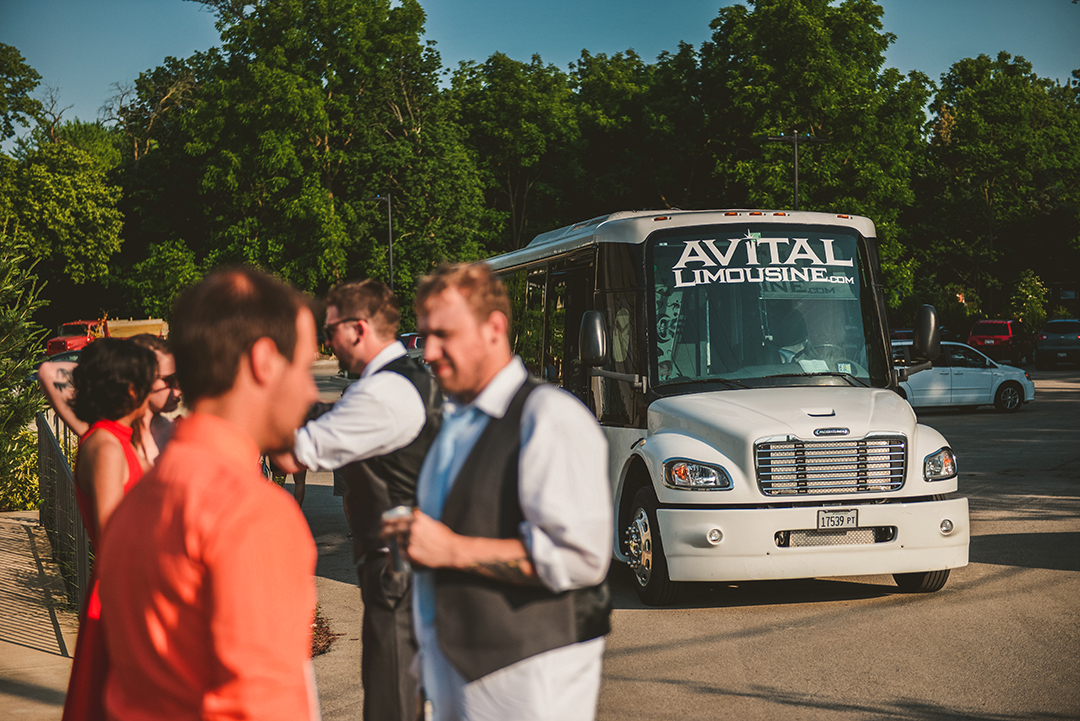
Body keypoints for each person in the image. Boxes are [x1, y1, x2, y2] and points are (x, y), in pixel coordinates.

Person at [384, 262, 612, 721]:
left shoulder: (548, 418)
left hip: (526, 684)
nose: (428, 352)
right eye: (425, 335)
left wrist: (452, 550)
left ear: (494, 328)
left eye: (443, 334)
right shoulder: (455, 423)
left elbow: (581, 558)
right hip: (451, 674)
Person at [96, 267, 321, 721]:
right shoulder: (252, 512)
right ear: (264, 361)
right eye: (306, 368)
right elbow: (262, 704)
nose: (310, 391)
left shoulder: (138, 498)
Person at [272, 278, 442, 721]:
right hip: (413, 569)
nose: (328, 344)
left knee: (393, 703)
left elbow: (293, 454)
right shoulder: (411, 379)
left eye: (330, 332)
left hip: (396, 570)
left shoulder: (380, 393)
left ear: (358, 328)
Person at [60, 338, 158, 721]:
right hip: (122, 592)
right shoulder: (106, 445)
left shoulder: (120, 440)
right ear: (131, 388)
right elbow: (114, 533)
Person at [39, 333, 182, 465]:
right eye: (169, 380)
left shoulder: (176, 430)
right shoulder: (107, 431)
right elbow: (48, 372)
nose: (179, 389)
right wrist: (114, 374)